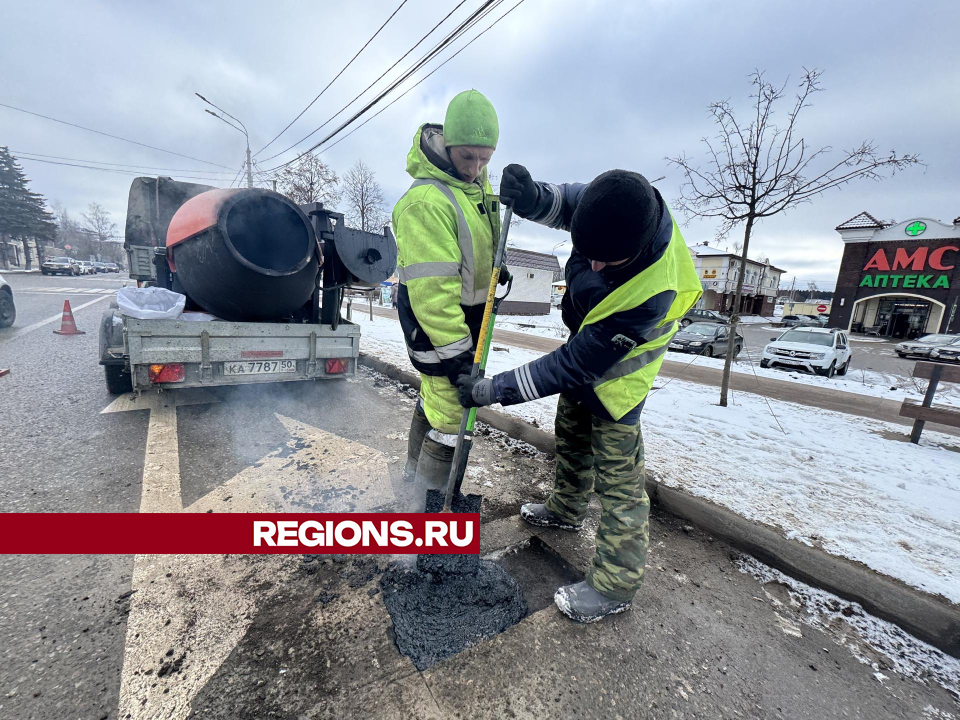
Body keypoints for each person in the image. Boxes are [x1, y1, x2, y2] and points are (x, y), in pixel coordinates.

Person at [457, 165, 702, 623]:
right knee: (570, 435)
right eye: (588, 253)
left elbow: (570, 366)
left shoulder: (651, 295)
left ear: (632, 252)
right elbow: (568, 203)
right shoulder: (613, 200)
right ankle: (566, 509)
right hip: (586, 347)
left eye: (605, 262)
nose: (591, 265)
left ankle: (616, 585)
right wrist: (533, 198)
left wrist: (492, 390)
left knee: (618, 483)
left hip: (618, 382)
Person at [392, 90, 506, 510]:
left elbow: (475, 242)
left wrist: (497, 264)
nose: (476, 169)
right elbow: (433, 295)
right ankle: (426, 516)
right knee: (452, 415)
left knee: (433, 400)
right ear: (448, 145)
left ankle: (412, 485)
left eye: (485, 159)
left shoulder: (473, 184)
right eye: (468, 158)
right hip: (439, 328)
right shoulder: (426, 202)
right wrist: (459, 358)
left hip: (467, 323)